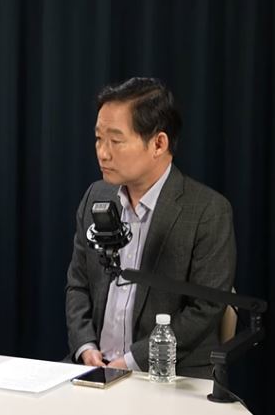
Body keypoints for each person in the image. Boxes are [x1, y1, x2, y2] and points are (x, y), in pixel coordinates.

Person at [65, 77, 235, 379]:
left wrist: (130, 362)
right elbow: (78, 283)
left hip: (168, 374)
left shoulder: (208, 210)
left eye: (116, 141)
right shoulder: (96, 196)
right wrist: (85, 347)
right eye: (99, 139)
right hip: (93, 367)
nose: (103, 153)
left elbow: (206, 308)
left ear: (158, 143)